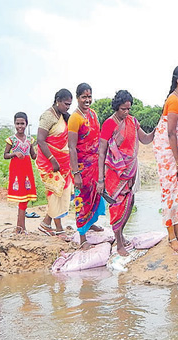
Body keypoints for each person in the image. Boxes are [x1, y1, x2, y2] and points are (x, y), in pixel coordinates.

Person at [98, 90, 155, 256]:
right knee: (116, 204)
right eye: (123, 109)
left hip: (130, 169)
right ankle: (119, 244)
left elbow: (144, 139)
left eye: (129, 109)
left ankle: (120, 234)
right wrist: (100, 179)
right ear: (117, 107)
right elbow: (102, 151)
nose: (126, 112)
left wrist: (155, 131)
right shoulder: (109, 124)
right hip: (114, 172)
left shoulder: (132, 121)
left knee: (130, 202)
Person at [153, 65, 178, 251]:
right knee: (170, 191)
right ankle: (171, 236)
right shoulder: (173, 101)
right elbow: (171, 133)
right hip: (168, 150)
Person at [68, 83, 106, 248]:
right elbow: (71, 147)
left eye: (89, 96)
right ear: (78, 98)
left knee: (94, 196)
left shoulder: (94, 114)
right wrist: (75, 172)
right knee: (82, 199)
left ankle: (90, 223)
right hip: (82, 167)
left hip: (95, 165)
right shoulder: (75, 118)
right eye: (84, 97)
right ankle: (82, 238)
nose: (87, 100)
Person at [36, 89, 74, 238]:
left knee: (61, 192)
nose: (67, 107)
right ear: (57, 100)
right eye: (65, 104)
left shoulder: (63, 116)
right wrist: (52, 159)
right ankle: (59, 228)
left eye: (70, 105)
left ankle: (45, 224)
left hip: (63, 162)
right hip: (49, 162)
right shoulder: (48, 116)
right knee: (54, 193)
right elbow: (40, 140)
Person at [4, 112, 37, 234]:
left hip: (27, 170)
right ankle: (20, 227)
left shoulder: (30, 139)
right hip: (17, 170)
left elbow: (33, 155)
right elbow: (5, 155)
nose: (20, 126)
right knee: (21, 197)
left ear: (26, 124)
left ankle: (20, 227)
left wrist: (38, 154)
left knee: (26, 197)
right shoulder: (11, 139)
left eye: (22, 123)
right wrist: (14, 154)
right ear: (14, 124)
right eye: (17, 123)